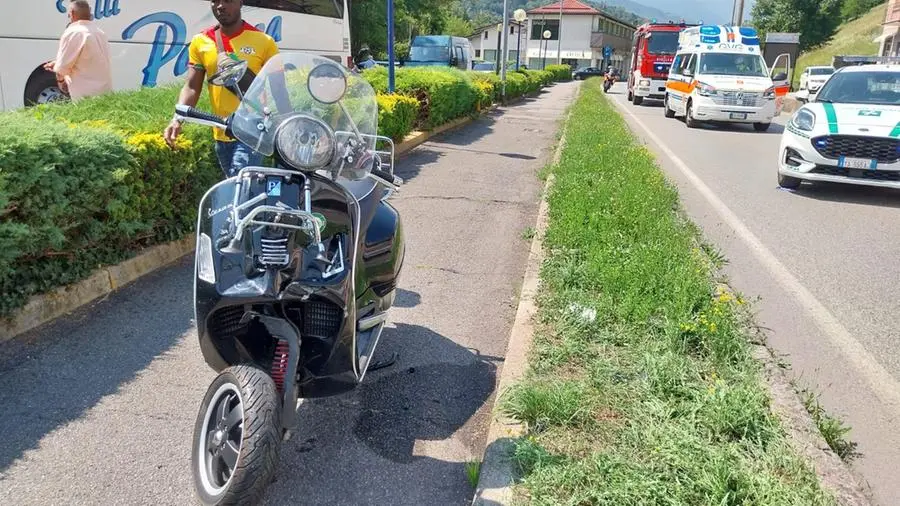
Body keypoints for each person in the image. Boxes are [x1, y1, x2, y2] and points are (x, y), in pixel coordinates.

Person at [163, 0, 281, 178]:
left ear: (240, 2)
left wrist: (290, 125)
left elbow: (279, 89)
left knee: (240, 185)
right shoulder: (200, 41)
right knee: (236, 188)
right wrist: (177, 119)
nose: (220, 6)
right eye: (215, 1)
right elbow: (192, 87)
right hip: (220, 132)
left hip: (252, 132)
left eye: (227, 0)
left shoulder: (264, 42)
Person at [43, 0, 113, 102]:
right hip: (105, 94)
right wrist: (56, 63)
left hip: (85, 97)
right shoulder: (100, 32)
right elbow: (90, 59)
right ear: (89, 12)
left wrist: (61, 82)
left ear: (71, 13)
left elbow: (62, 68)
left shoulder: (73, 32)